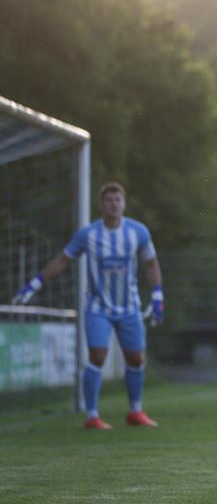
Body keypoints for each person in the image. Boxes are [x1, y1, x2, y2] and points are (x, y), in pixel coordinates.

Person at [12, 182, 164, 430]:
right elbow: (63, 259)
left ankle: (135, 411)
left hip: (129, 306)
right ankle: (92, 414)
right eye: (109, 200)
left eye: (117, 200)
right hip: (97, 306)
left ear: (124, 204)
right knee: (97, 356)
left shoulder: (138, 232)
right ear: (101, 205)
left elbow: (151, 263)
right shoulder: (88, 234)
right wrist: (35, 283)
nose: (113, 204)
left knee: (136, 359)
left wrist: (157, 297)